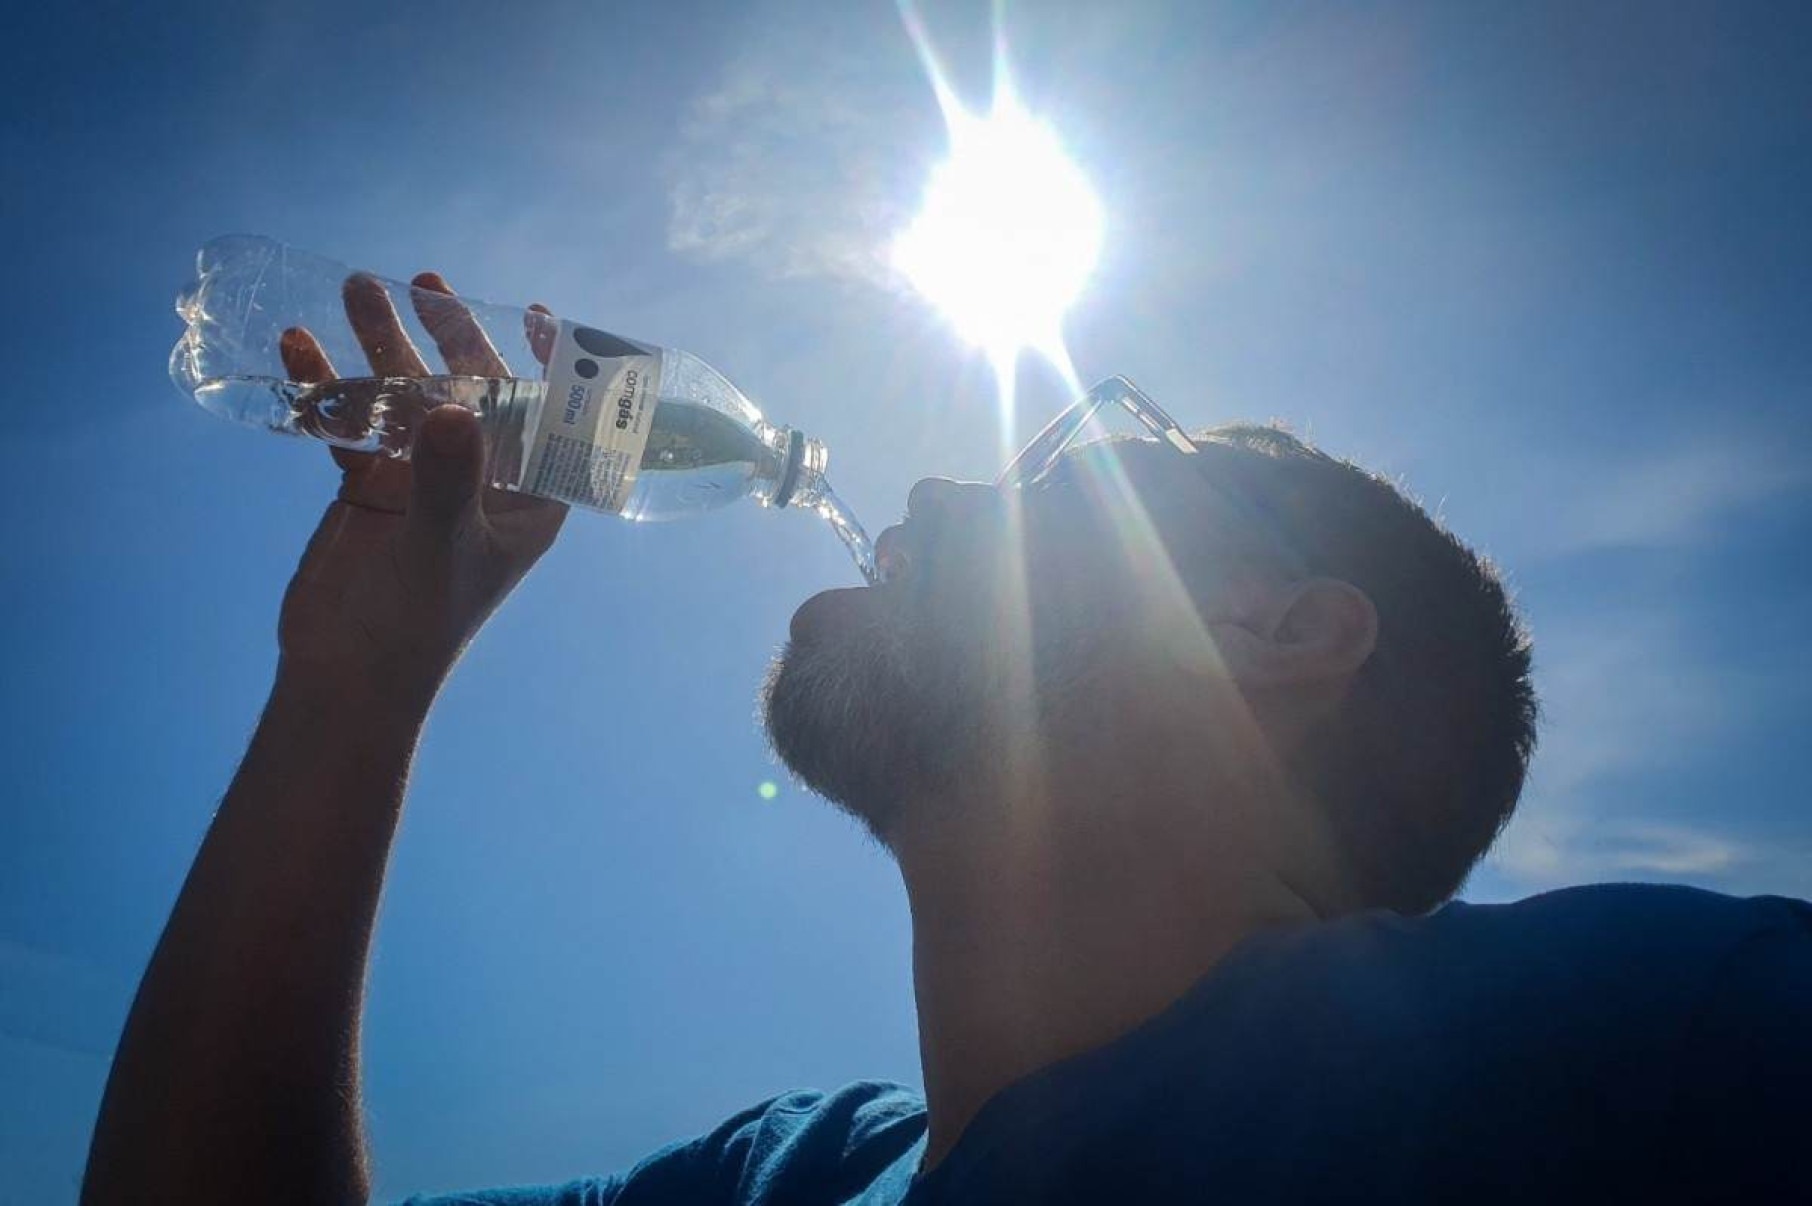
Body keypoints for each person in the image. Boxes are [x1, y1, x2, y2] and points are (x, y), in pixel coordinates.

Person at [83, 275, 1810, 1206]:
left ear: (1280, 634)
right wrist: (359, 681)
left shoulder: (1638, 1046)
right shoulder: (796, 1172)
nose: (919, 487)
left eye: (1068, 469)